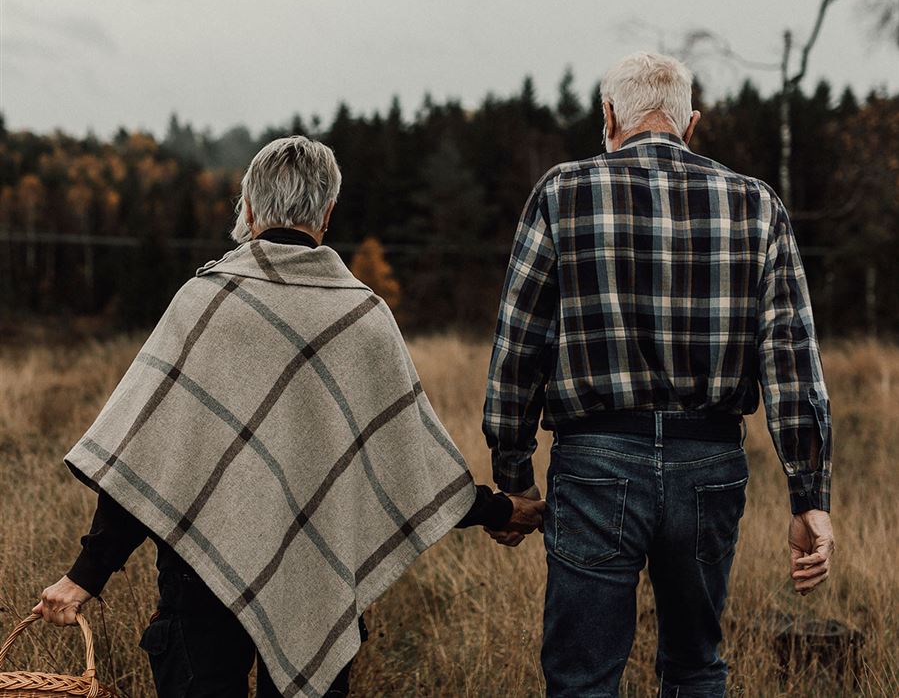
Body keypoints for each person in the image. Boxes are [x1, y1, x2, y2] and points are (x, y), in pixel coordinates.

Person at [35, 135, 545, 698]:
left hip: (197, 585)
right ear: (327, 214)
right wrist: (501, 509)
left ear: (249, 209)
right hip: (318, 587)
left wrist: (85, 577)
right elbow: (414, 472)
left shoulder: (205, 303)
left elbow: (143, 462)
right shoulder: (365, 319)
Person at [482, 52, 835, 698]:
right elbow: (791, 362)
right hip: (711, 466)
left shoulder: (562, 194)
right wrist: (809, 497)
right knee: (696, 668)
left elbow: (519, 348)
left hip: (595, 466)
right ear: (690, 124)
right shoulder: (758, 206)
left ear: (609, 117)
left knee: (582, 680)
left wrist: (514, 478)